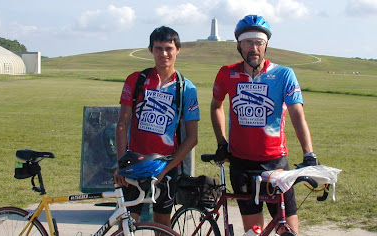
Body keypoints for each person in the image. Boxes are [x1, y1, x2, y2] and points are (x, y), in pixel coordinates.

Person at [210, 14, 319, 234]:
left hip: (276, 165)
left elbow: (297, 113)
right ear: (239, 46)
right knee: (254, 231)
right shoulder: (227, 73)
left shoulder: (283, 74)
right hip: (241, 165)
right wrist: (222, 142)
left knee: (288, 229)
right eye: (248, 42)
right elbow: (216, 106)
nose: (254, 48)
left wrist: (309, 154)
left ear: (266, 44)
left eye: (258, 42)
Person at [114, 26, 200, 228]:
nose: (164, 54)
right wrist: (121, 163)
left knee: (162, 223)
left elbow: (192, 137)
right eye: (158, 48)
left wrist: (165, 171)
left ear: (178, 49)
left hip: (165, 167)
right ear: (150, 50)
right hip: (134, 164)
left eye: (169, 48)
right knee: (126, 224)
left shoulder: (186, 88)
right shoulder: (136, 80)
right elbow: (122, 124)